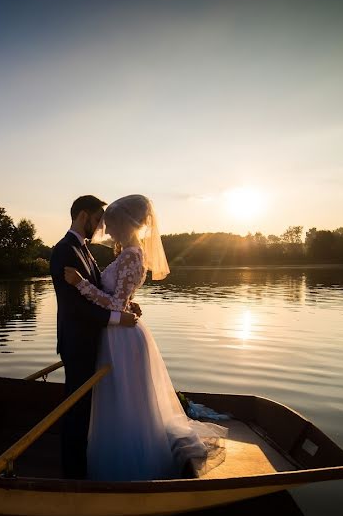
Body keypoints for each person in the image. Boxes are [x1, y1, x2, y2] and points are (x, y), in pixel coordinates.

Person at [63, 194, 227, 480]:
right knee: (118, 399)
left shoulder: (132, 256)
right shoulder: (128, 254)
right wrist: (129, 303)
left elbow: (114, 304)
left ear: (126, 224)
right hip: (117, 332)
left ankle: (132, 462)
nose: (107, 229)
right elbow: (122, 300)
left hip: (122, 339)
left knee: (125, 399)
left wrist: (81, 285)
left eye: (111, 224)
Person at [50, 195, 140, 479]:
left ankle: (84, 463)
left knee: (86, 408)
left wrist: (125, 305)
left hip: (95, 340)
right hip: (77, 341)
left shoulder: (84, 250)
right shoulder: (64, 250)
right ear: (83, 216)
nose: (102, 225)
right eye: (98, 218)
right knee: (76, 409)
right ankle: (72, 475)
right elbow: (74, 305)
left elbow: (104, 293)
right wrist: (117, 317)